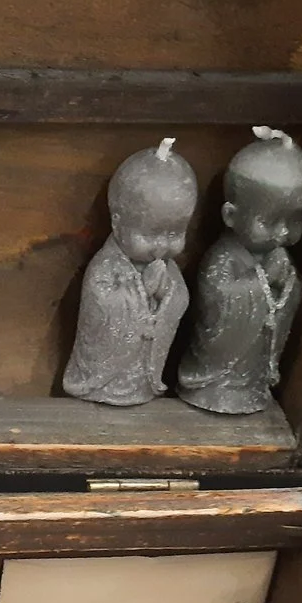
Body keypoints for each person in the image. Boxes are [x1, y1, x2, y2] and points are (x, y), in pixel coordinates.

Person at [176, 128, 302, 416]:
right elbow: (217, 300)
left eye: (295, 220)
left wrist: (288, 285)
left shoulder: (279, 255)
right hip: (216, 374)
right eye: (270, 220)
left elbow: (293, 292)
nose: (283, 232)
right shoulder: (221, 256)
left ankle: (253, 386)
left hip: (252, 374)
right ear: (230, 215)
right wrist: (261, 282)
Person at [63, 139, 197, 406]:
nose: (162, 245)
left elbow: (179, 299)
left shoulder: (168, 269)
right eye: (150, 233)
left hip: (143, 380)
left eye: (174, 233)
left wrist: (165, 294)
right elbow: (99, 304)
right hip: (103, 379)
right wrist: (142, 293)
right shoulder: (105, 265)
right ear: (117, 222)